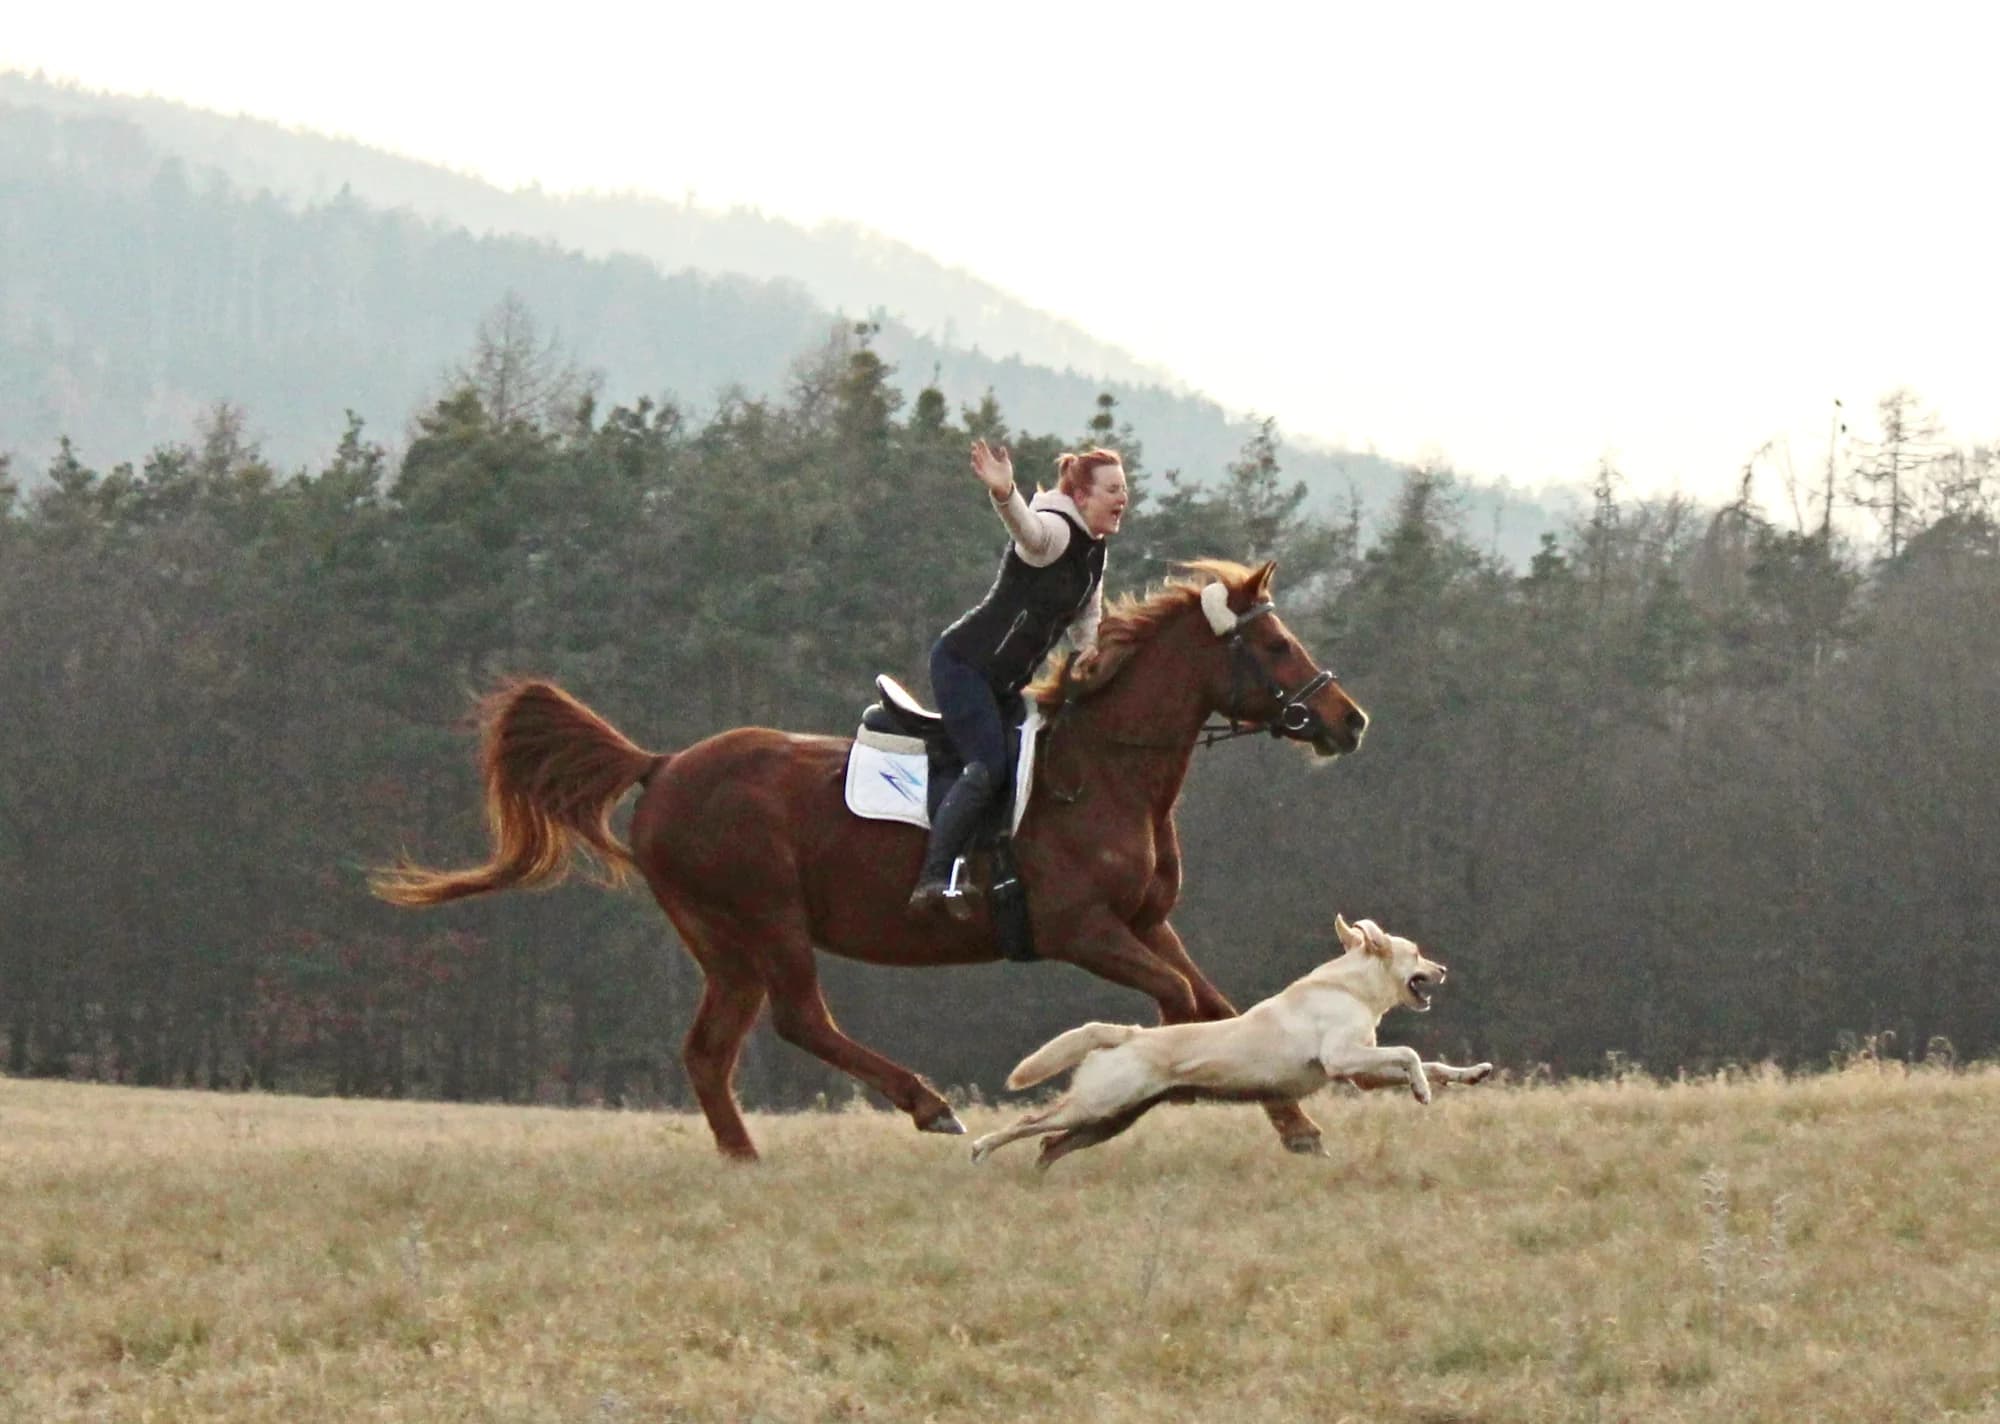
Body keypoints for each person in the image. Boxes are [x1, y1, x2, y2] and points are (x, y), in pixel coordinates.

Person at [909, 439, 1130, 917]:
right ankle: (933, 878)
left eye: (1124, 490)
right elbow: (1027, 532)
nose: (1122, 499)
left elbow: (1086, 618)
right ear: (1080, 496)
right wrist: (1006, 492)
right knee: (987, 766)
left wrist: (1093, 652)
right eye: (1112, 489)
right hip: (963, 667)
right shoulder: (1053, 528)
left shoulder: (1095, 552)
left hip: (1003, 686)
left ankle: (989, 869)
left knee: (1029, 765)